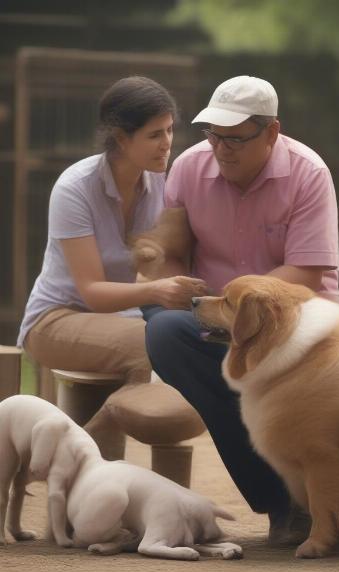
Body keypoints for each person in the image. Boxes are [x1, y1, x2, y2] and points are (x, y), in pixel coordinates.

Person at [144, 75, 339, 545]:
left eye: (236, 138)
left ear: (272, 132)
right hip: (213, 314)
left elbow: (307, 273)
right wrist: (178, 281)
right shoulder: (186, 169)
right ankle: (284, 504)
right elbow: (172, 251)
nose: (222, 148)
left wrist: (249, 313)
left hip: (299, 315)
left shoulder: (308, 172)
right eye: (213, 135)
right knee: (165, 334)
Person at [18, 76, 206, 422]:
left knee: (182, 334)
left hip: (116, 320)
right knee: (151, 342)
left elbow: (172, 254)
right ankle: (99, 432)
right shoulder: (75, 188)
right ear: (121, 137)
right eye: (154, 134)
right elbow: (91, 292)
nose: (167, 144)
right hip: (55, 319)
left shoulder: (162, 183)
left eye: (169, 131)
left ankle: (132, 445)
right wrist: (156, 291)